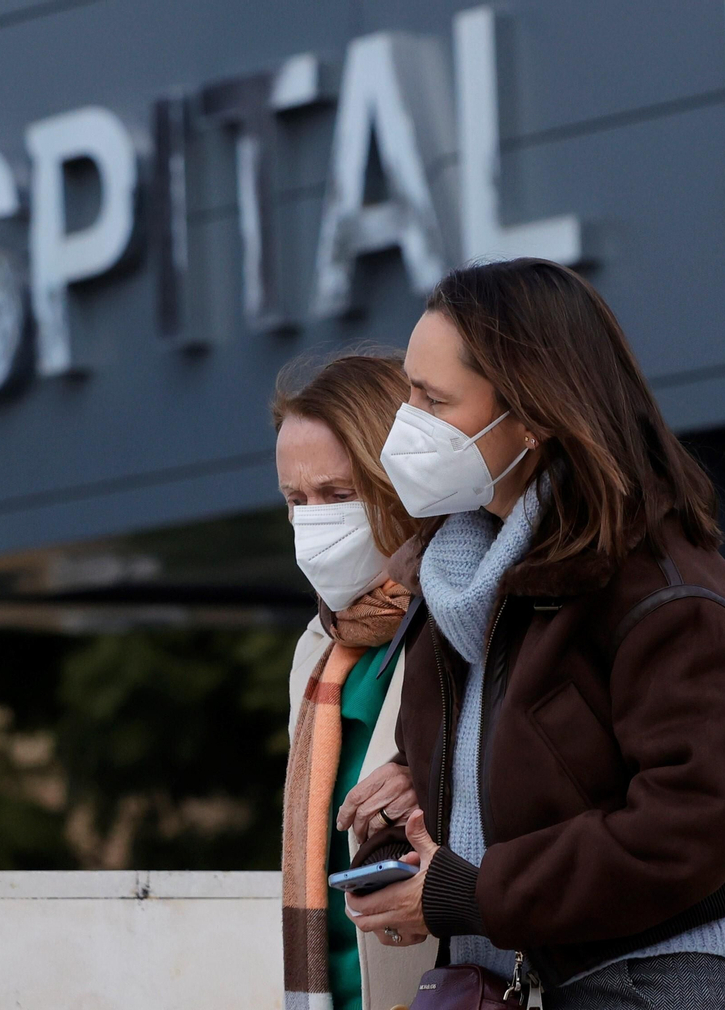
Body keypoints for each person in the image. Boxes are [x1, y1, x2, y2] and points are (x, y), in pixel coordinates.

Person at [346, 259, 725, 1010]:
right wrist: (402, 848)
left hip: (644, 988)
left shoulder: (672, 601)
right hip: (505, 984)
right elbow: (522, 783)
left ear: (533, 416)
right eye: (408, 391)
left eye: (434, 399)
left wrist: (470, 891)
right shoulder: (461, 580)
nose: (407, 423)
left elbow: (683, 828)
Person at [273, 351, 440, 1010]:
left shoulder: (465, 619)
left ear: (399, 484)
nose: (313, 519)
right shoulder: (319, 647)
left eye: (338, 495)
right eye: (295, 499)